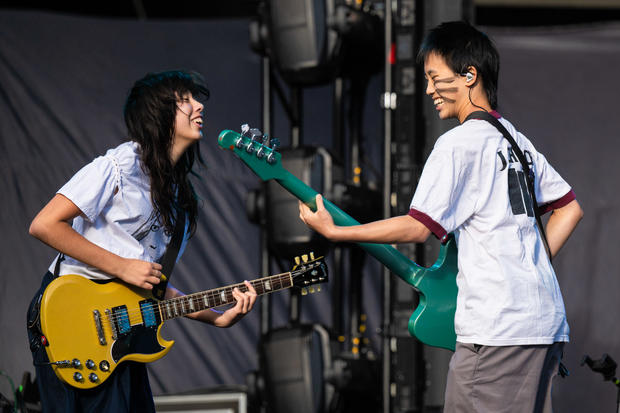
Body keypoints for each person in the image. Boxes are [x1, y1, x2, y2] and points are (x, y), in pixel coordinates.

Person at [299, 21, 583, 413]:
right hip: (541, 324)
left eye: (435, 77)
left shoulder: (458, 144)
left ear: (469, 76)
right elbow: (569, 207)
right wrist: (527, 264)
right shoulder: (516, 139)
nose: (429, 89)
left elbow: (419, 227)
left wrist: (336, 232)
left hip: (500, 331)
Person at [26, 70, 257, 412]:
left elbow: (153, 287)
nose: (198, 106)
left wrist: (218, 317)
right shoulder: (119, 165)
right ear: (157, 113)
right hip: (71, 316)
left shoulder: (178, 198)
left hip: (122, 330)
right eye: (185, 100)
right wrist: (122, 267)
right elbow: (45, 224)